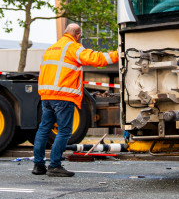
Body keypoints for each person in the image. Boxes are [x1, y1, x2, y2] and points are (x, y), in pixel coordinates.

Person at [33, 23, 118, 176]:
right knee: (65, 131)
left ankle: (38, 165)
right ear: (78, 35)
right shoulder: (72, 47)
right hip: (63, 97)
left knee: (43, 129)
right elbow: (95, 59)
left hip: (46, 96)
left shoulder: (51, 49)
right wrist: (118, 54)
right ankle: (54, 165)